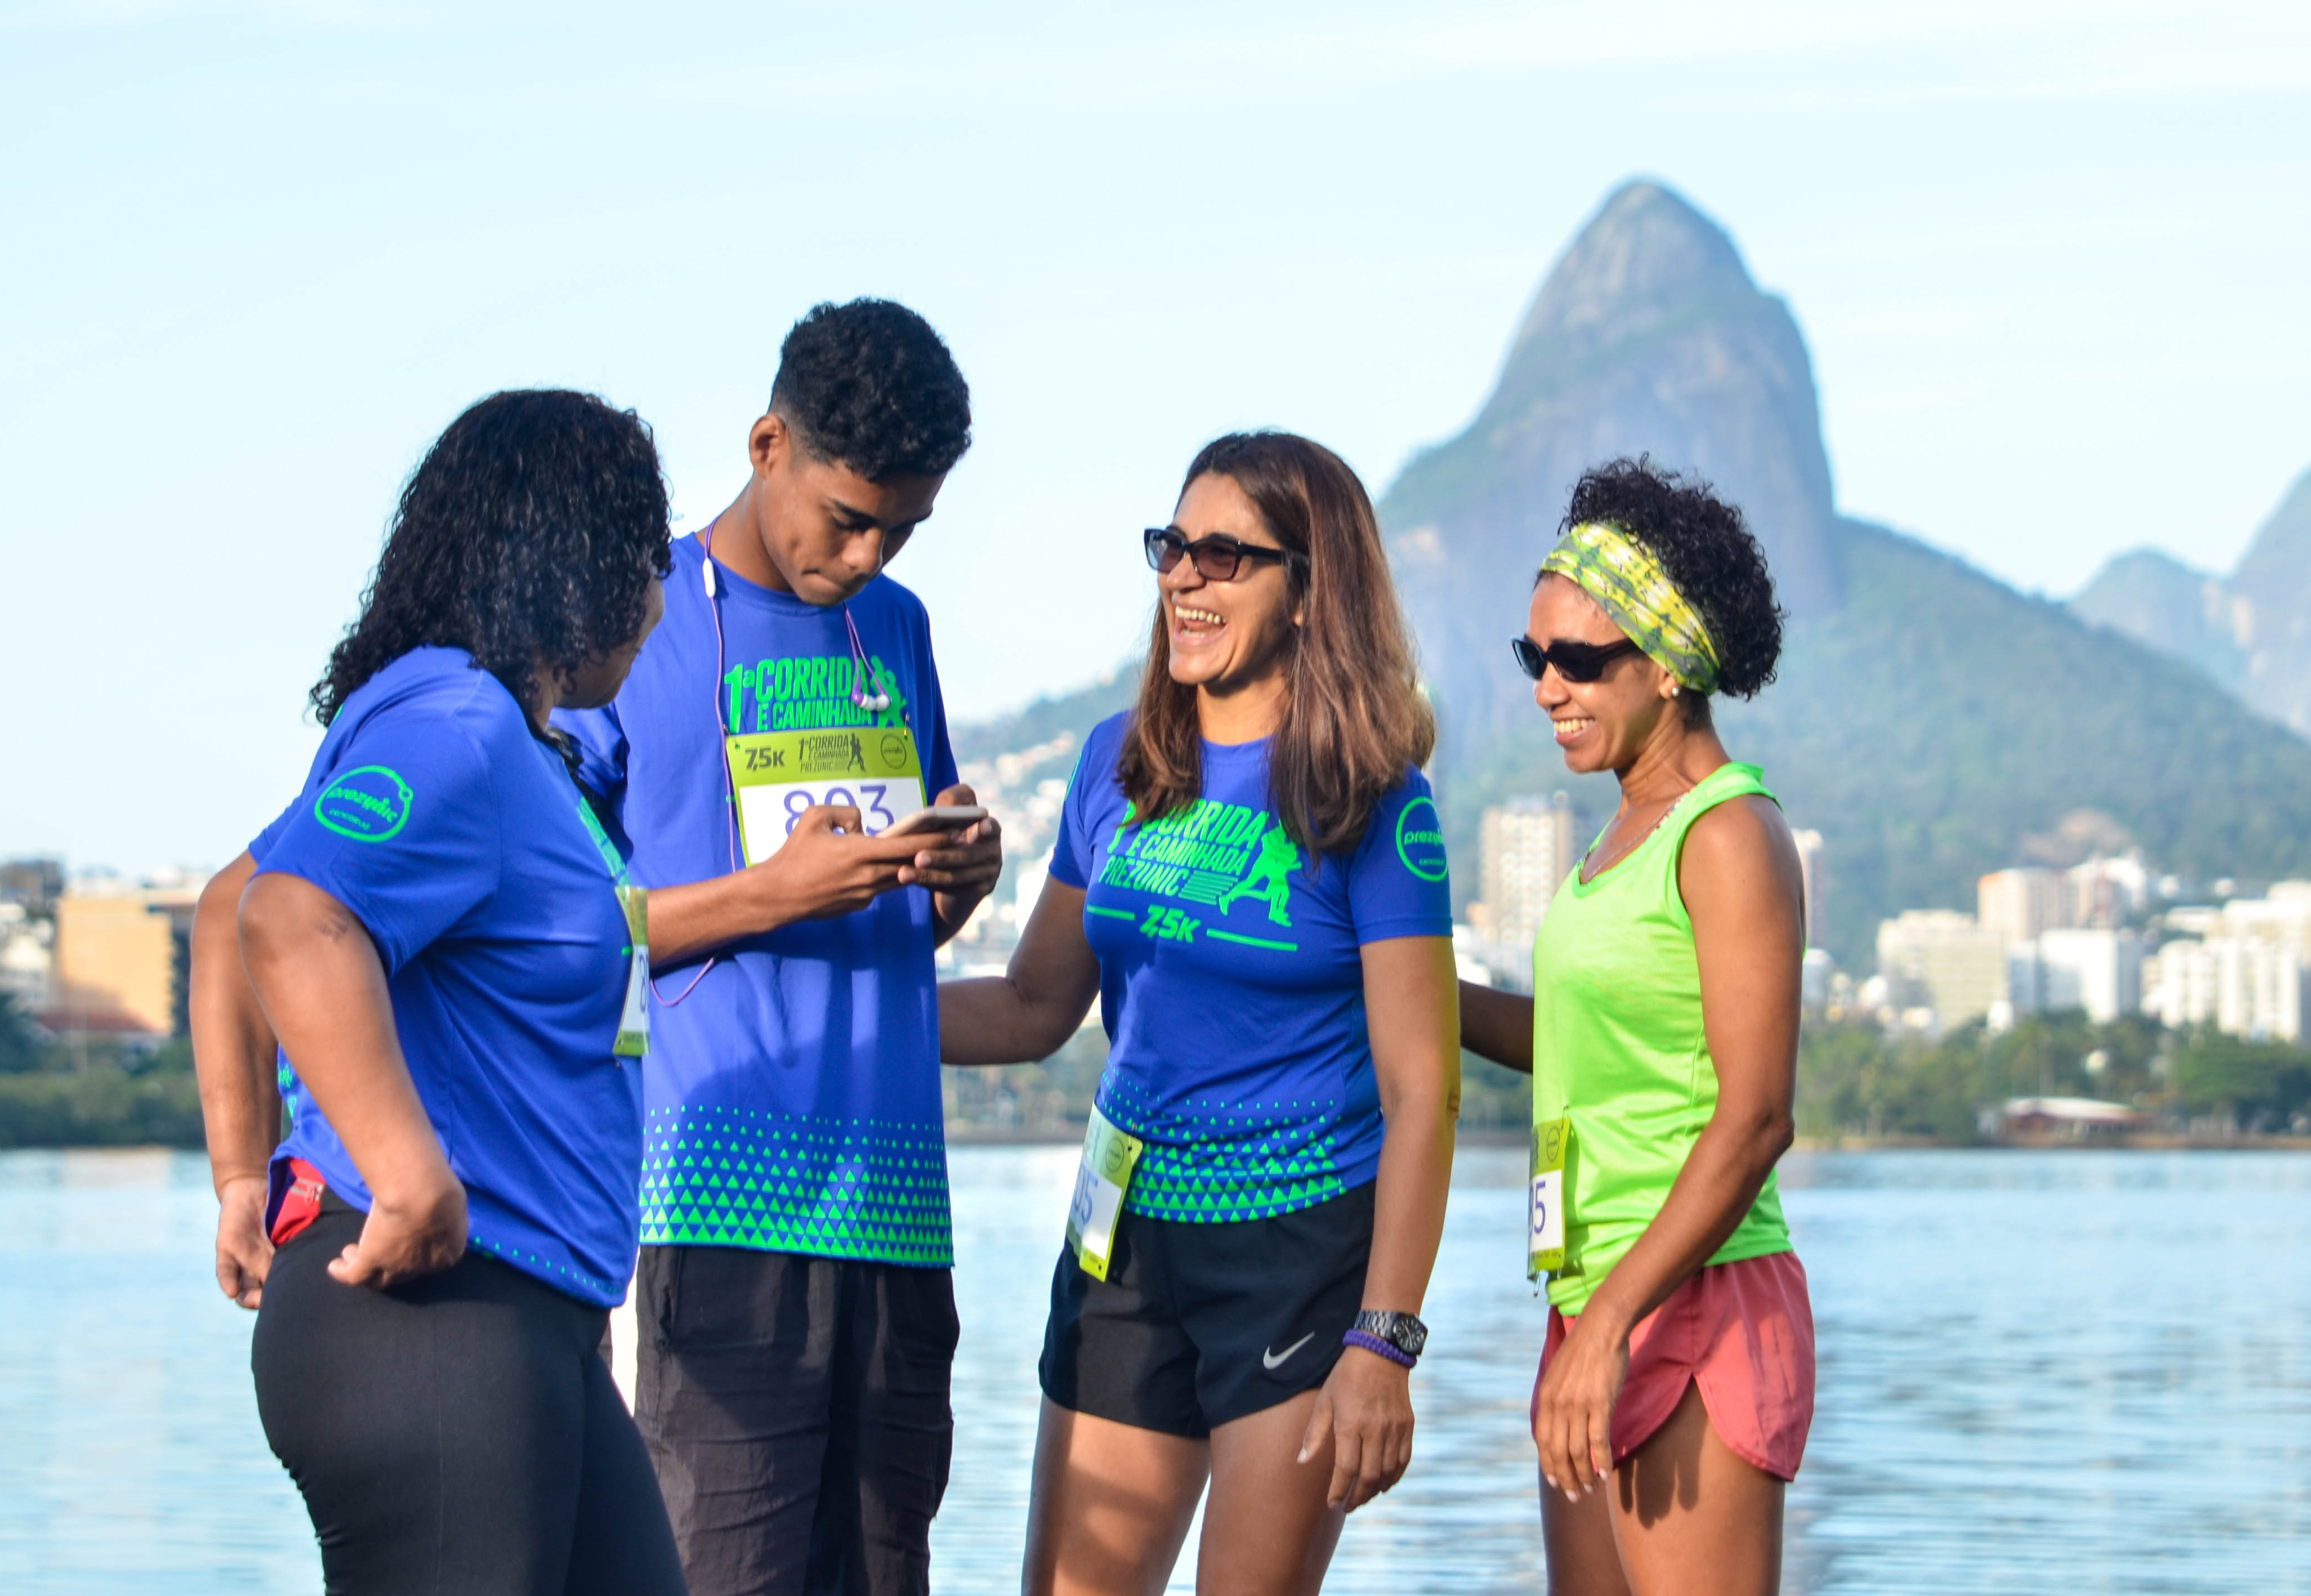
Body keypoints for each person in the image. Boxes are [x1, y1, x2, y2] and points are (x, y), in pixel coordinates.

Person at [939, 431, 1460, 1595]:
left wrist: (1386, 1339)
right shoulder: (1113, 765)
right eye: (1174, 546)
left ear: (1309, 586)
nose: (1185, 575)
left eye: (1225, 554)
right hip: (1122, 1239)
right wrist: (846, 1007)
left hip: (1297, 1247)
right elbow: (1034, 1005)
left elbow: (1425, 1088)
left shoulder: (1377, 800)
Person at [194, 388, 686, 1593]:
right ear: (581, 568)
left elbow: (222, 906)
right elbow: (287, 917)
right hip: (429, 1309)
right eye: (647, 557)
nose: (661, 596)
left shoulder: (509, 746)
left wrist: (247, 1178)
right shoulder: (457, 725)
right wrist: (405, 1172)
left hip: (528, 1321)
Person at [549, 299, 1003, 1596]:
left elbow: (902, 913)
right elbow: (570, 934)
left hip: (898, 1209)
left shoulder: (897, 630)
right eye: (848, 517)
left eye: (901, 529)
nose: (865, 555)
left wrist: (954, 878)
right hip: (708, 1200)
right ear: (765, 444)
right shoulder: (633, 628)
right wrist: (773, 892)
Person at [1458, 459, 1813, 1596]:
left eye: (1578, 659)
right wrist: (1413, 996)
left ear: (1666, 665)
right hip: (1591, 1296)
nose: (1547, 686)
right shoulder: (1617, 837)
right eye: (1533, 658)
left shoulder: (1727, 834)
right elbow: (1566, 1040)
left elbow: (1756, 1120)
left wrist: (1615, 1320)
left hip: (1690, 1301)